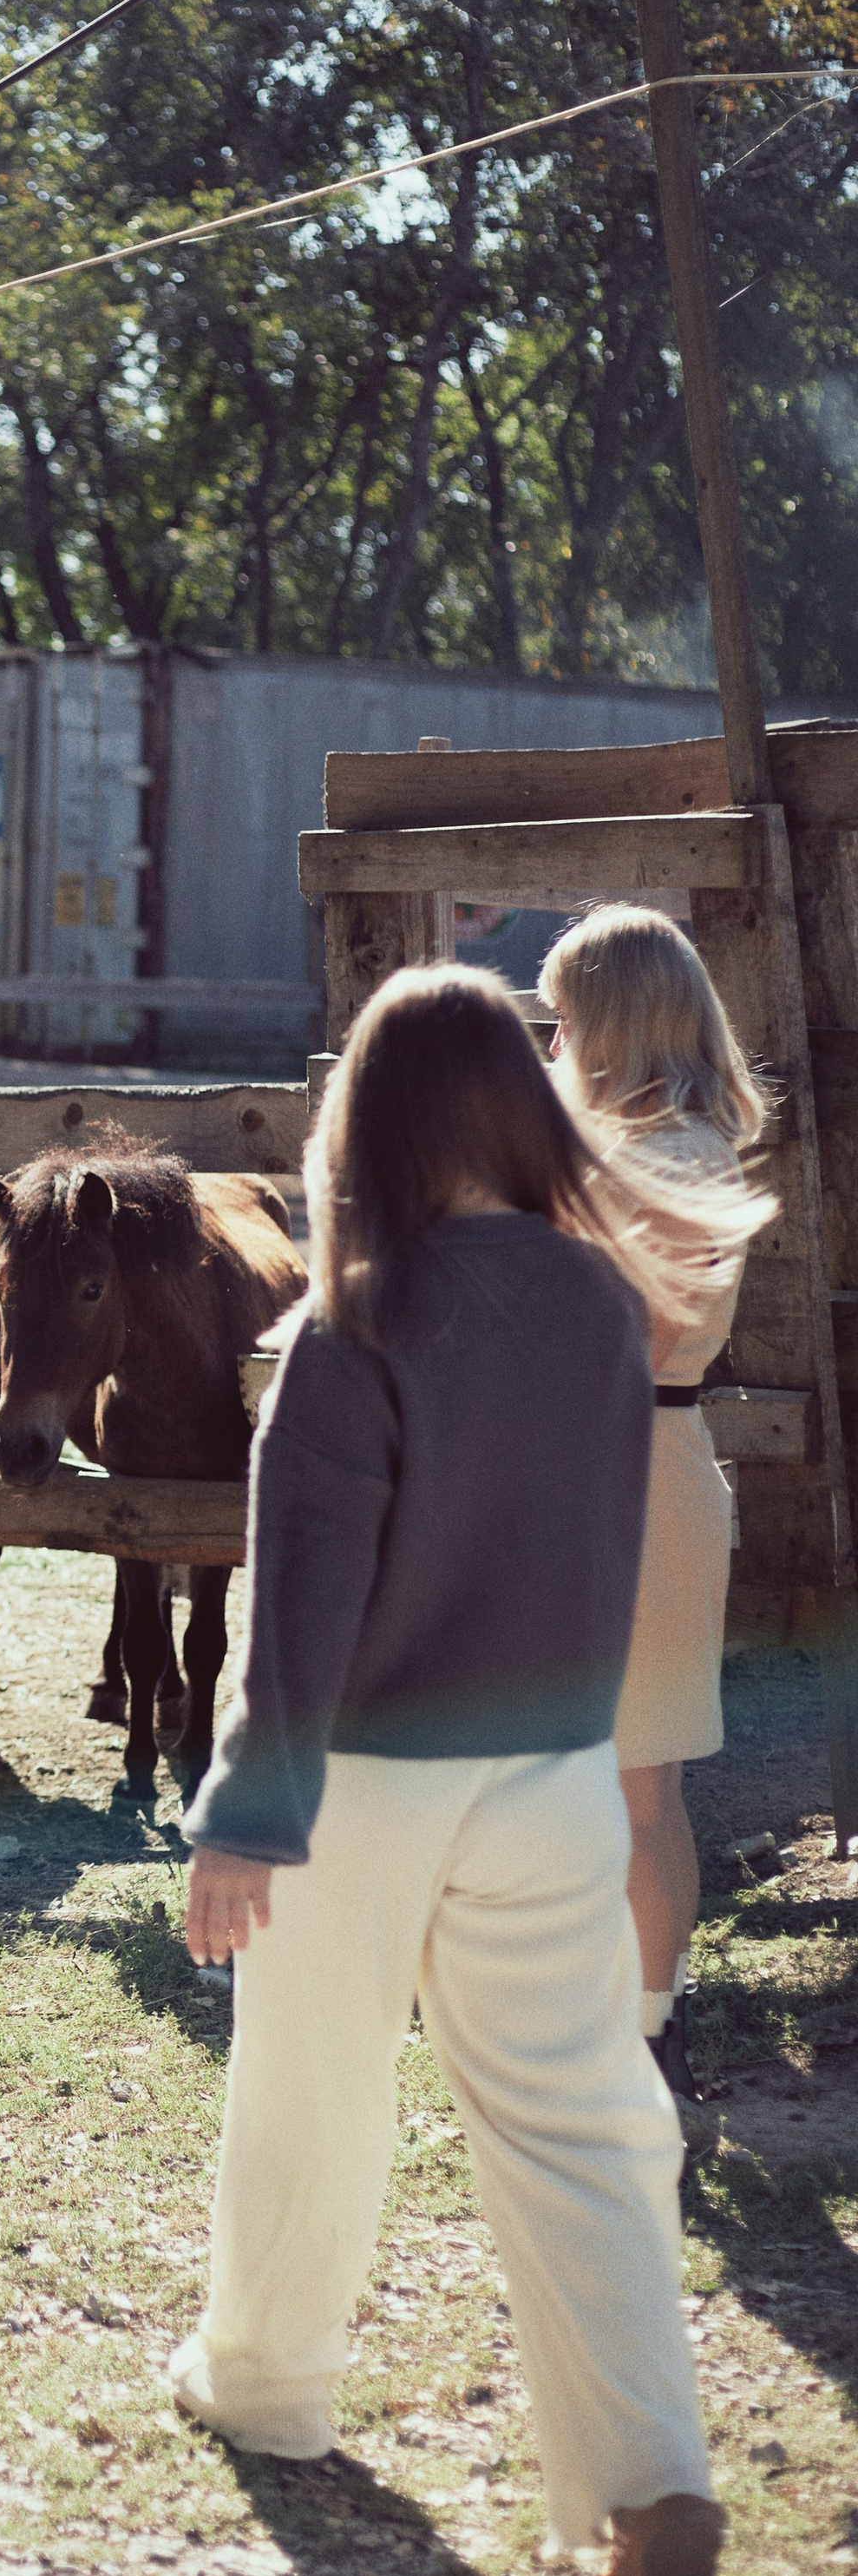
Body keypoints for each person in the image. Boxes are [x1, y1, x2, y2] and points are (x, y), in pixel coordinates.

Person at [167, 963, 765, 2576]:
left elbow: (300, 1603)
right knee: (583, 2121)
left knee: (311, 2087)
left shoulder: (345, 1325)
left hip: (365, 1776)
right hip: (560, 1769)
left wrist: (245, 1811)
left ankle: (270, 2382)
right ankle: (654, 2474)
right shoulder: (600, 1305)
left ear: (374, 1116)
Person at [540, 904, 767, 2113]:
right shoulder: (632, 1151)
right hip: (594, 1472)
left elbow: (635, 1331)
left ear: (621, 1022)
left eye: (568, 1016)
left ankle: (649, 2034)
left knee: (638, 1788)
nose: (555, 1038)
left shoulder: (679, 1155)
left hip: (637, 1469)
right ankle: (611, 2023)